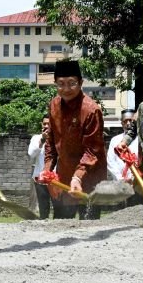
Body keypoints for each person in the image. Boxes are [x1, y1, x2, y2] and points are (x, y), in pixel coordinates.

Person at [42, 60, 106, 220]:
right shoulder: (54, 105)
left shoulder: (91, 110)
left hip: (89, 178)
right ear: (55, 83)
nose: (66, 89)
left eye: (72, 83)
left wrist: (77, 176)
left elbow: (92, 150)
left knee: (88, 229)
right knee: (61, 225)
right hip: (63, 178)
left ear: (81, 83)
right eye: (61, 84)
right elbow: (50, 142)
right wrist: (48, 170)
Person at [27, 115, 51, 219]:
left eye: (48, 124)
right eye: (44, 123)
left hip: (56, 178)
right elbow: (31, 154)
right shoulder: (36, 138)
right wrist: (42, 140)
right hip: (40, 178)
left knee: (59, 207)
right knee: (43, 207)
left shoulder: (60, 138)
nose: (46, 126)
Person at [107, 108, 138, 182]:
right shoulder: (115, 140)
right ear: (121, 123)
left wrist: (133, 178)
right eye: (125, 121)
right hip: (119, 183)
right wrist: (120, 178)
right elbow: (110, 162)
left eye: (130, 120)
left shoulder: (140, 140)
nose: (128, 123)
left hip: (138, 181)